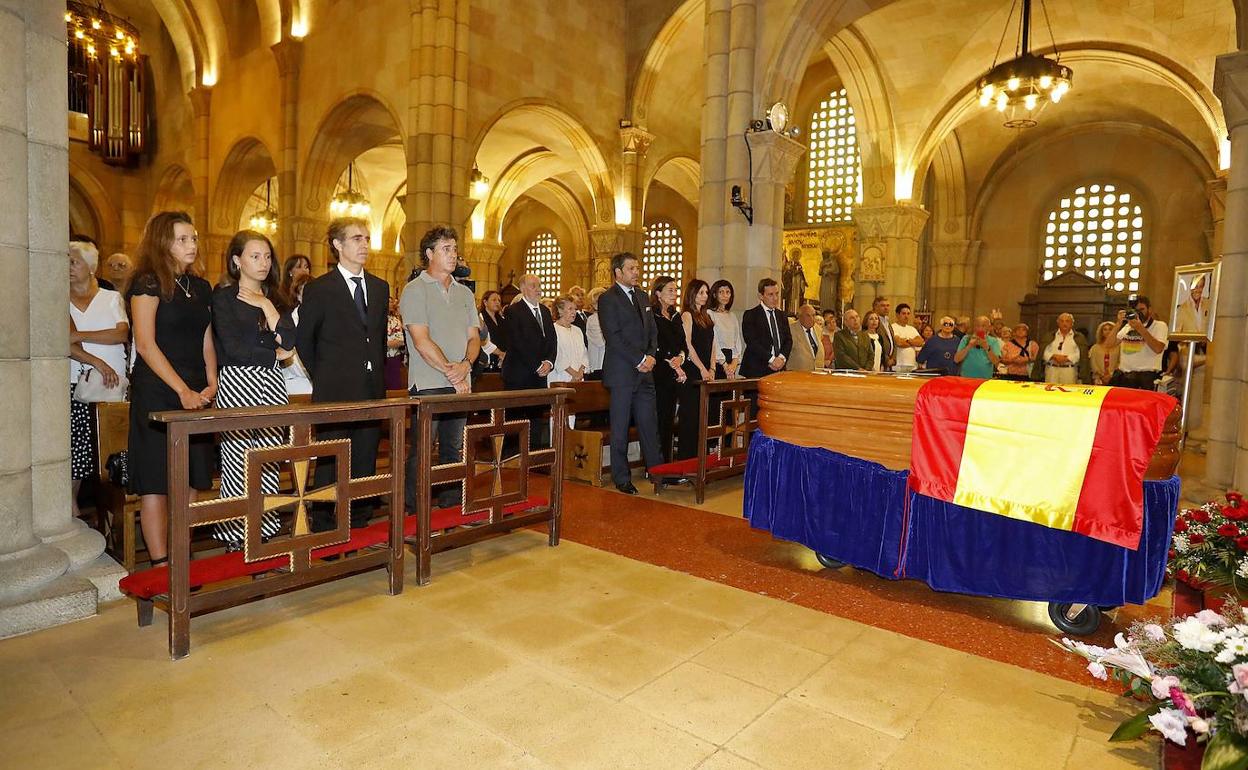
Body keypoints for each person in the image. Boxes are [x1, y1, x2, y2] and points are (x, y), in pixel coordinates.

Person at [126, 211, 216, 566]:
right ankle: (161, 563)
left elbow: (206, 336)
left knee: (192, 474)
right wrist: (182, 390)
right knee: (156, 479)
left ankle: (182, 554)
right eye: (182, 239)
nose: (191, 245)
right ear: (163, 242)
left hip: (196, 388)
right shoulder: (147, 283)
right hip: (159, 389)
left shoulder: (200, 286)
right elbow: (145, 345)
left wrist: (212, 380)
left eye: (193, 238)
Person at [296, 217, 389, 531]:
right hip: (334, 389)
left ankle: (359, 520)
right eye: (356, 238)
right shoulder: (320, 289)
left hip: (371, 388)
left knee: (364, 458)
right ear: (337, 245)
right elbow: (304, 341)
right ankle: (324, 523)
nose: (364, 245)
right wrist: (326, 374)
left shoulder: (379, 287)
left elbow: (374, 339)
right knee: (331, 460)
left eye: (366, 238)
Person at [210, 230, 295, 548]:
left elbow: (289, 341)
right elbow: (232, 349)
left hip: (272, 384)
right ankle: (236, 536)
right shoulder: (224, 297)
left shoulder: (274, 297)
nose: (263, 262)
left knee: (268, 460)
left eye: (267, 256)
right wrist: (273, 355)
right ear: (237, 260)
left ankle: (265, 531)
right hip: (238, 381)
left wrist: (266, 306)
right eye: (254, 256)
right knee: (238, 461)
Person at [400, 225, 479, 509]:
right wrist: (453, 372)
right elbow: (421, 341)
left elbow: (474, 338)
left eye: (455, 249)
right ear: (429, 253)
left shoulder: (465, 293)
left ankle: (450, 506)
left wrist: (466, 365)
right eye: (446, 249)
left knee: (453, 448)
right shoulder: (415, 290)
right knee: (421, 450)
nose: (453, 255)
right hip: (428, 383)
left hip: (461, 380)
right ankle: (413, 508)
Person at [69, 241, 129, 521]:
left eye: (74, 262)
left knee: (111, 454)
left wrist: (80, 336)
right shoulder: (60, 299)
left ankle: (113, 520)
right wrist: (96, 360)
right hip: (74, 384)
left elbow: (121, 335)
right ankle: (72, 513)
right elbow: (63, 343)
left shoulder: (110, 297)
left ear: (91, 267)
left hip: (110, 386)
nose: (68, 268)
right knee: (76, 455)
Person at [597, 252, 662, 494]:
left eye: (637, 267)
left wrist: (651, 356)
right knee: (621, 427)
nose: (637, 272)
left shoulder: (643, 296)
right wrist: (639, 359)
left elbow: (653, 331)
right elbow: (613, 337)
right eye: (631, 268)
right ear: (618, 272)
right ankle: (621, 477)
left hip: (645, 373)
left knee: (648, 424)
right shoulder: (608, 299)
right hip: (622, 373)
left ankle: (657, 472)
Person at [500, 274, 557, 448]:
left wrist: (549, 362)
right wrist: (537, 365)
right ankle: (512, 457)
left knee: (536, 417)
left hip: (539, 374)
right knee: (515, 418)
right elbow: (517, 342)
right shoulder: (513, 311)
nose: (538, 289)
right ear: (523, 289)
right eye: (533, 286)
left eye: (539, 285)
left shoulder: (545, 311)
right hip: (519, 374)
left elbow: (552, 340)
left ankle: (534, 455)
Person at [677, 279, 717, 459]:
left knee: (703, 418)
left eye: (706, 293)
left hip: (707, 371)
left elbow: (713, 344)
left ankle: (701, 459)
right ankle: (687, 459)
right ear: (692, 294)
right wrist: (702, 368)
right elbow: (688, 345)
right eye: (701, 292)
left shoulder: (707, 316)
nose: (705, 296)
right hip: (693, 371)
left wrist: (712, 368)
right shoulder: (687, 315)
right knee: (691, 417)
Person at [650, 276, 688, 462]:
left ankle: (667, 463)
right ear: (658, 293)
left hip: (674, 374)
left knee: (670, 420)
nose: (674, 294)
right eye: (670, 290)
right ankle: (657, 465)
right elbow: (652, 345)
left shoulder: (676, 316)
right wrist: (669, 361)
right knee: (659, 420)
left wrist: (681, 357)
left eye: (675, 290)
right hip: (659, 374)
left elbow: (683, 344)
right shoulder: (652, 316)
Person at [1107, 295, 1169, 390]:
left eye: (1142, 309)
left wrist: (1140, 328)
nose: (1139, 313)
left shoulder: (1160, 326)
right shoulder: (1128, 326)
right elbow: (1109, 344)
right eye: (1135, 310)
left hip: (1146, 378)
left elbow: (1158, 348)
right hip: (1125, 377)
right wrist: (1118, 323)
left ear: (1150, 309)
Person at [740, 278, 792, 378]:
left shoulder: (782, 315)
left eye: (777, 294)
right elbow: (752, 342)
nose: (775, 298)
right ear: (761, 296)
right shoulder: (751, 315)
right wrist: (772, 359)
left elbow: (788, 340)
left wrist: (781, 358)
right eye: (770, 295)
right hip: (757, 369)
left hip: (779, 369)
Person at [1034, 312, 1089, 385]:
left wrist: (1068, 358)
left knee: (1068, 392)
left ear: (1072, 323)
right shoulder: (1049, 336)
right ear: (1058, 323)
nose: (1064, 323)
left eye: (1067, 321)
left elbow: (1081, 354)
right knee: (1050, 392)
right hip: (1051, 370)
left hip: (1069, 370)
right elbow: (1043, 352)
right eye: (1062, 321)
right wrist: (1053, 356)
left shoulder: (1079, 337)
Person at [281, 272, 313, 396]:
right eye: (304, 291)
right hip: (294, 381)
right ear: (298, 295)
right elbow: (291, 358)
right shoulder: (288, 321)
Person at [550, 295, 589, 385]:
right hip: (560, 376)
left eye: (575, 309)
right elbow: (557, 355)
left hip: (579, 378)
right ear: (560, 310)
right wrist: (573, 373)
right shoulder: (553, 329)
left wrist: (580, 372)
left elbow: (584, 353)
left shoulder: (577, 330)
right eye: (570, 309)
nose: (574, 312)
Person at [707, 279, 742, 380]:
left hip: (731, 358)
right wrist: (724, 365)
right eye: (721, 292)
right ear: (714, 295)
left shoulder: (732, 316)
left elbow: (737, 341)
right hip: (717, 359)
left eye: (728, 292)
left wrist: (734, 363)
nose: (725, 295)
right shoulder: (710, 313)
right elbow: (714, 341)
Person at [787, 303, 825, 372]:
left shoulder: (818, 329)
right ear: (799, 316)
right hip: (797, 374)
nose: (811, 318)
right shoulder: (791, 330)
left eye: (813, 315)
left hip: (817, 373)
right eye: (808, 315)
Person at [478, 289, 507, 372]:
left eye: (499, 300)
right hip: (487, 360)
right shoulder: (481, 317)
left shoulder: (501, 319)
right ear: (485, 302)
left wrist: (504, 355)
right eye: (494, 300)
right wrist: (500, 353)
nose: (497, 302)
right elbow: (483, 340)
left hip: (502, 360)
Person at [890, 303, 923, 372]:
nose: (906, 316)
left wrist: (907, 341)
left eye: (908, 314)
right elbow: (899, 343)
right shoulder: (893, 327)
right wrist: (913, 342)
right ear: (897, 315)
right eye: (904, 313)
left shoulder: (912, 329)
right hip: (899, 365)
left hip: (912, 365)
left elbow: (920, 342)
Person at [382, 295, 406, 390]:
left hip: (392, 358)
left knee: (393, 388)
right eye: (389, 302)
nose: (391, 304)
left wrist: (382, 344)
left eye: (391, 302)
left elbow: (400, 341)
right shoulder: (372, 319)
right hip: (378, 359)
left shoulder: (394, 321)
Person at [584, 286, 607, 377]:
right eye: (598, 302)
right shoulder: (593, 319)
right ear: (593, 305)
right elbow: (601, 341)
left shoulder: (611, 316)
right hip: (598, 363)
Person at [1088, 321, 1120, 386]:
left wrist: (1111, 375)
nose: (1108, 331)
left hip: (1115, 378)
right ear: (1101, 333)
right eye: (1105, 329)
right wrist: (1102, 375)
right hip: (1098, 379)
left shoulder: (1119, 347)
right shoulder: (1095, 347)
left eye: (1110, 329)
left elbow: (1120, 362)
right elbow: (1093, 364)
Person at [871, 296, 896, 366]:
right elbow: (875, 343)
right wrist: (886, 359)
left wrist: (893, 358)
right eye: (883, 306)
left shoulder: (888, 322)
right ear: (876, 307)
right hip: (879, 360)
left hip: (890, 361)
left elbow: (893, 342)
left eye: (888, 305)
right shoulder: (874, 322)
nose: (886, 308)